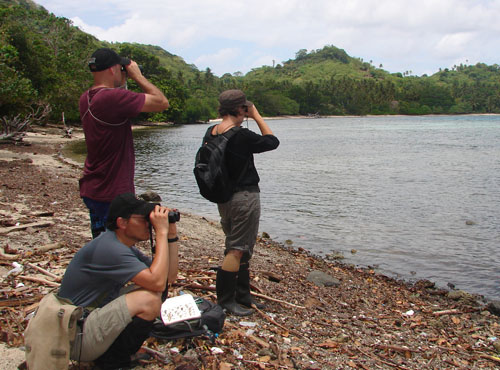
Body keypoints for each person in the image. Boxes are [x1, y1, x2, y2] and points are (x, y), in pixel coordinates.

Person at [58, 193, 179, 369]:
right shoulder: (109, 248)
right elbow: (158, 282)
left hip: (83, 327)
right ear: (122, 223)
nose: (148, 223)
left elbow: (169, 277)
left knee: (151, 291)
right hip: (75, 337)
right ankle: (113, 362)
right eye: (143, 219)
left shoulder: (121, 245)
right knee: (149, 300)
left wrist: (171, 234)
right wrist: (161, 232)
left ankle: (113, 355)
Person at [79, 48, 170, 238]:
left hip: (94, 186)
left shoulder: (86, 97)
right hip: (112, 191)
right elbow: (161, 102)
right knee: (115, 248)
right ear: (113, 69)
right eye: (121, 69)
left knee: (101, 243)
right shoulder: (111, 98)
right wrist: (137, 76)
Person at [213, 90, 280, 316]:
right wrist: (257, 115)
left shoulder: (212, 132)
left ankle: (242, 296)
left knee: (236, 246)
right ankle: (225, 301)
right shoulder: (240, 135)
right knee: (237, 248)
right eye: (245, 108)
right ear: (241, 109)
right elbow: (272, 141)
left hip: (225, 199)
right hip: (244, 197)